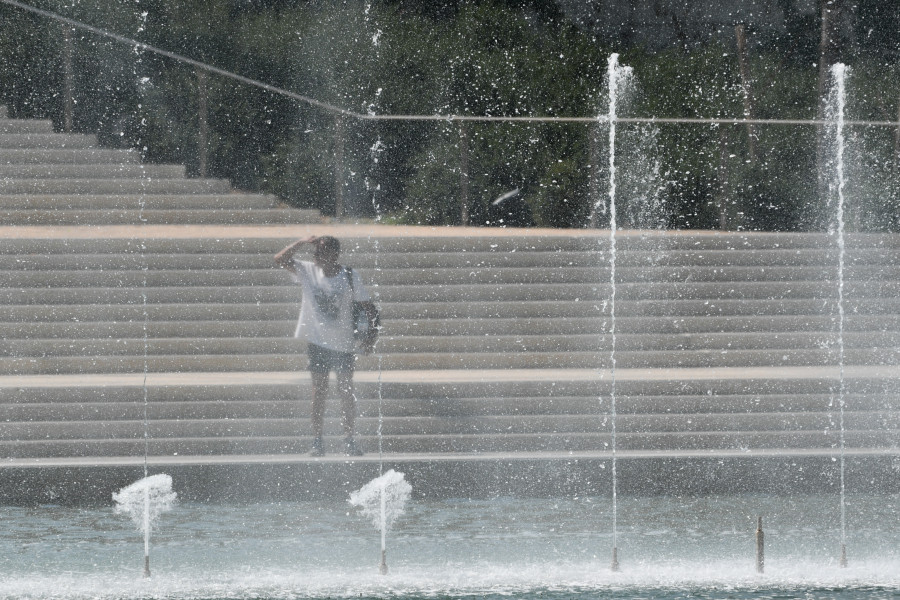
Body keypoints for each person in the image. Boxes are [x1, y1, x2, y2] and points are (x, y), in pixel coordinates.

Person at [275, 235, 377, 457]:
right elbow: (280, 259)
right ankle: (317, 441)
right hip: (318, 342)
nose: (315, 256)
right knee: (318, 393)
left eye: (320, 252)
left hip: (343, 344)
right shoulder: (308, 270)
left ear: (334, 254)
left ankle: (349, 440)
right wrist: (301, 242)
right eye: (315, 252)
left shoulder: (349, 275)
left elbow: (370, 308)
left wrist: (370, 337)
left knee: (346, 392)